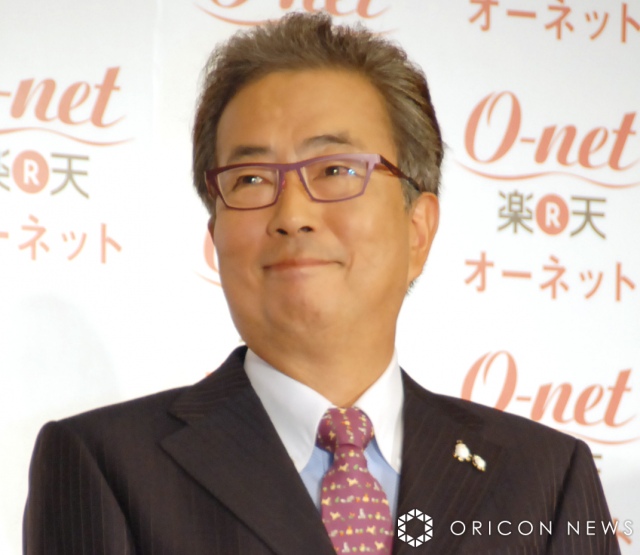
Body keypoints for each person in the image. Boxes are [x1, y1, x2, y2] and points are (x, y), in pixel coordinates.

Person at [24, 12, 620, 555]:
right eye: (251, 179)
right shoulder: (107, 466)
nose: (292, 214)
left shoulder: (544, 477)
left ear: (418, 229)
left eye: (335, 169)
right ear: (216, 233)